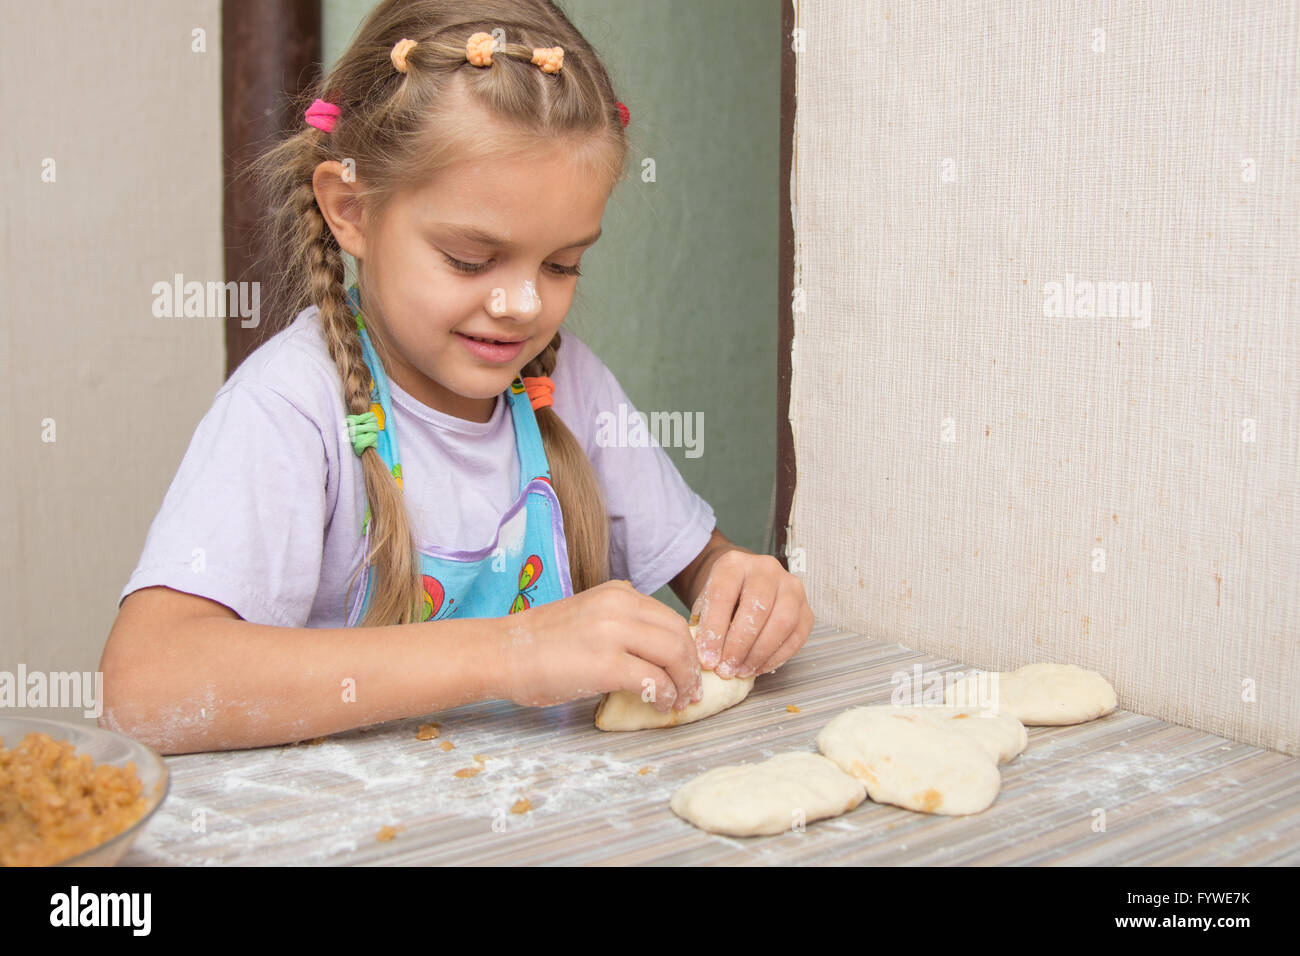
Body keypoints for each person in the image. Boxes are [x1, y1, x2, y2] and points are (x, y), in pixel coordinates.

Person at [100, 0, 812, 755]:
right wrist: (512, 653)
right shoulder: (290, 410)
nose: (523, 305)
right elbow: (145, 688)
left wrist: (740, 588)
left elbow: (704, 566)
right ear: (351, 210)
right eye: (471, 260)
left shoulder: (565, 386)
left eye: (562, 264)